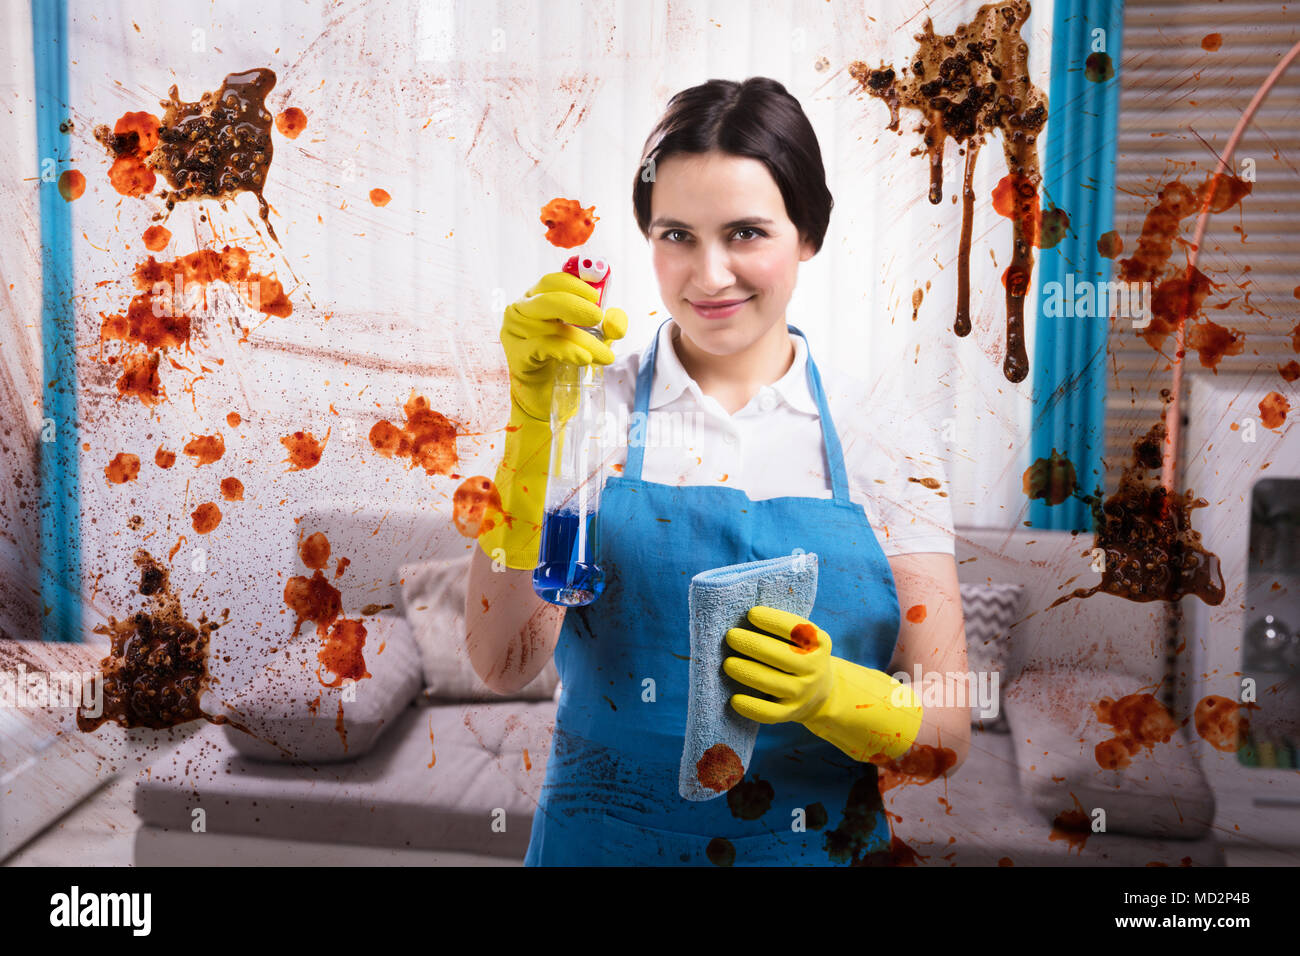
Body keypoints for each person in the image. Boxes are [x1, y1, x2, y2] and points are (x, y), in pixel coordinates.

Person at [467, 76, 969, 866]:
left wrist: (833, 695)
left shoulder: (886, 435)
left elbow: (945, 729)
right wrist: (534, 428)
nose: (707, 275)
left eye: (745, 233)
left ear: (808, 234)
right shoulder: (587, 406)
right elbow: (503, 662)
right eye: (676, 235)